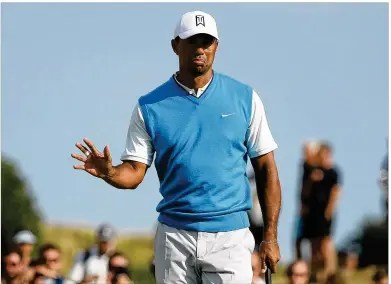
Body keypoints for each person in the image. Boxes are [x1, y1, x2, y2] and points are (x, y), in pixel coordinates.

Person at [71, 10, 281, 284]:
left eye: (207, 42)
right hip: (174, 236)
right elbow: (134, 171)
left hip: (230, 237)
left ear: (216, 46)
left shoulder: (245, 98)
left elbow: (266, 168)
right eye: (192, 41)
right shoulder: (149, 106)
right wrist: (110, 172)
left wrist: (270, 237)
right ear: (175, 46)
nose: (200, 49)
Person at [302, 142, 342, 281]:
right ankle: (316, 273)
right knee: (314, 243)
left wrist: (329, 210)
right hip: (313, 213)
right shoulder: (314, 171)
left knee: (326, 243)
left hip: (324, 213)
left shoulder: (333, 172)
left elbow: (336, 191)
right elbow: (306, 190)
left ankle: (331, 273)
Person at [294, 141, 319, 260]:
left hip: (310, 209)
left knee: (311, 240)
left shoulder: (313, 168)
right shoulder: (306, 166)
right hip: (305, 207)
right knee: (299, 239)